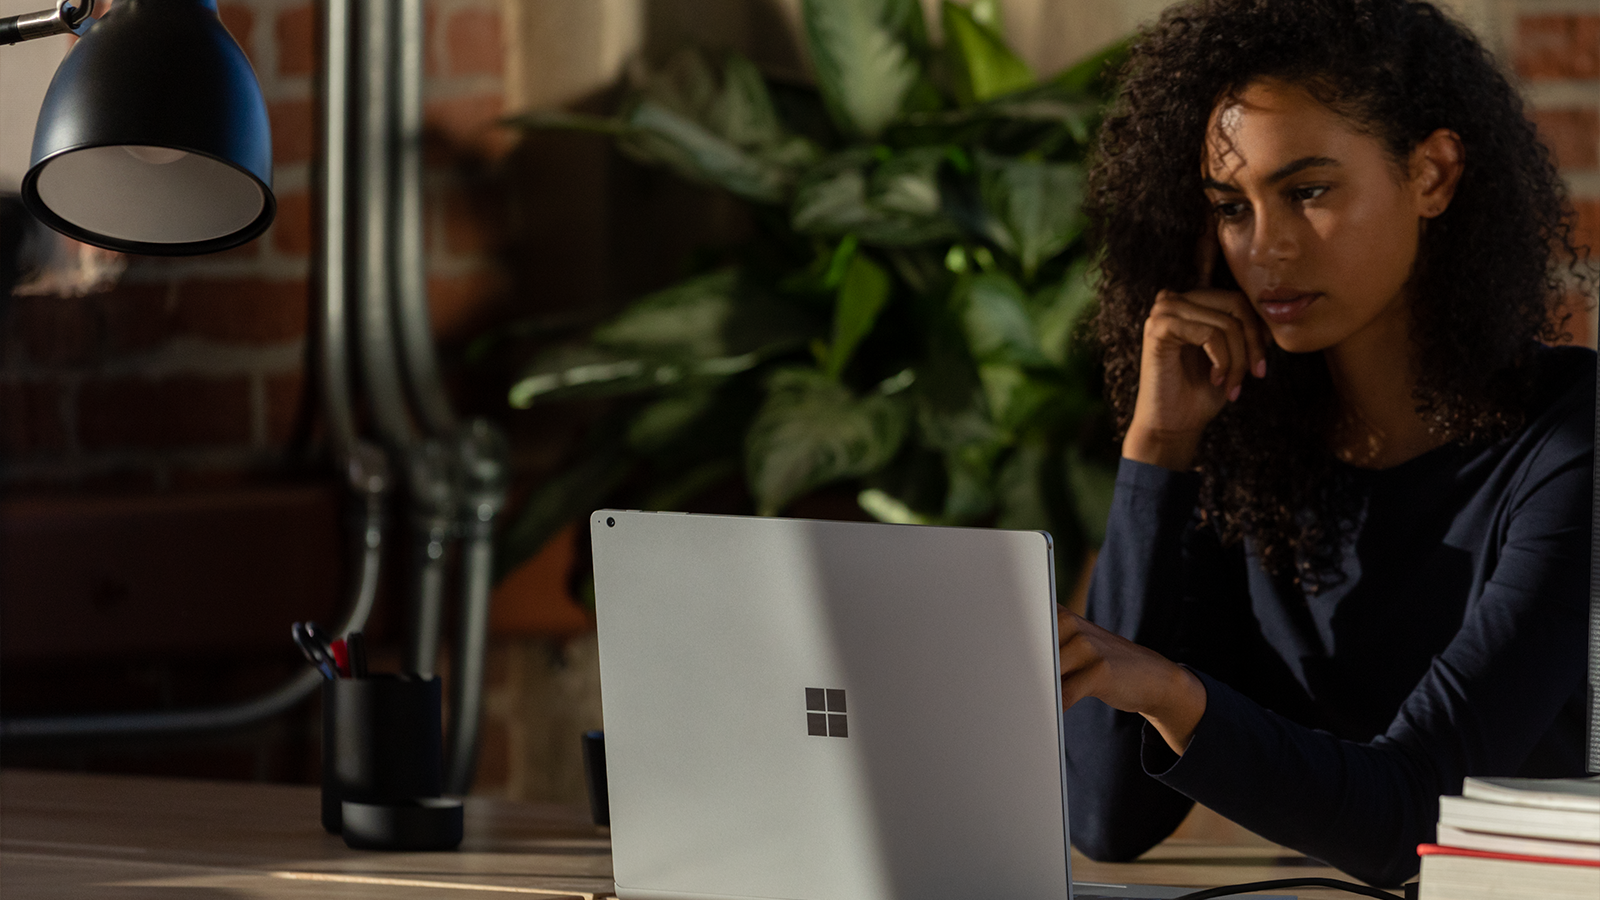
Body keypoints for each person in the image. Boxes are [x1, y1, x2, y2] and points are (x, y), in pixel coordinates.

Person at [1057, 0, 1595, 887]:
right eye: (1232, 207)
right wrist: (1158, 445)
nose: (1265, 248)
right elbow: (1108, 816)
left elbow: (1413, 820)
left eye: (1307, 192)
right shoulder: (1248, 455)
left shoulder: (1572, 443)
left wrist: (1172, 694)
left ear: (1432, 175)